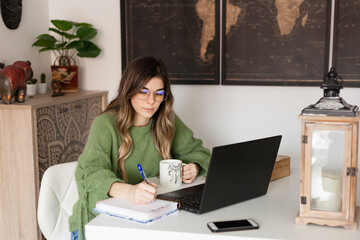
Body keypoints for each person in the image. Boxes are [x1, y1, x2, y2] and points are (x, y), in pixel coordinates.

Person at [68, 56, 210, 239]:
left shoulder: (165, 121)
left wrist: (194, 166)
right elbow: (90, 174)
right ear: (130, 90)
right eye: (143, 91)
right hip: (99, 224)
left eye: (159, 93)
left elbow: (200, 153)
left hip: (148, 220)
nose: (151, 101)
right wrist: (130, 192)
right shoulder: (105, 125)